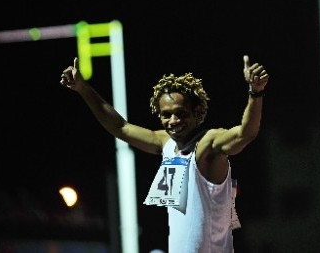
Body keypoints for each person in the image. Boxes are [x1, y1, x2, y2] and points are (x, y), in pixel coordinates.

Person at [60, 55, 269, 253]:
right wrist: (82, 88)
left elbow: (245, 133)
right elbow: (120, 128)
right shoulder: (166, 143)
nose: (173, 120)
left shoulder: (209, 143)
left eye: (181, 113)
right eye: (166, 115)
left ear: (197, 113)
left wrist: (255, 93)